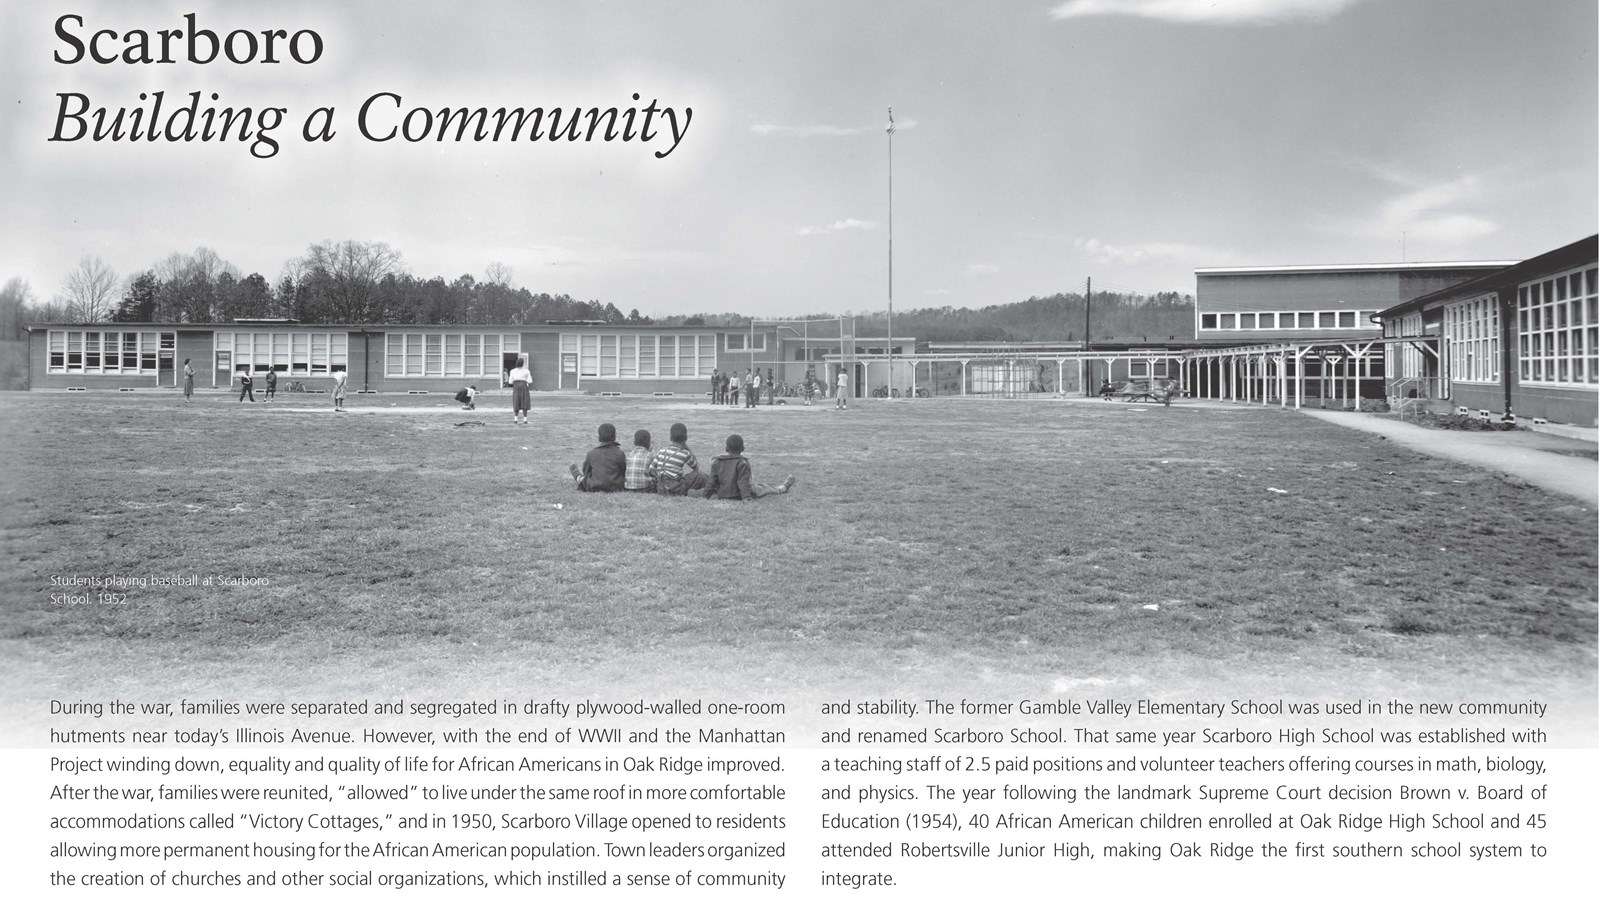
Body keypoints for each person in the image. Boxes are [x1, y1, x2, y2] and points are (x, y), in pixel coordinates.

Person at [704, 434, 796, 500]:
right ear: (743, 448)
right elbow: (742, 481)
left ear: (726, 448)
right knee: (764, 487)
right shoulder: (743, 462)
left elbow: (711, 481)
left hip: (722, 494)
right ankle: (782, 488)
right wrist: (746, 497)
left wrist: (706, 495)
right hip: (739, 495)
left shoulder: (717, 462)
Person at [649, 422, 710, 496]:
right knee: (699, 475)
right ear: (686, 438)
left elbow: (651, 469)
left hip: (661, 488)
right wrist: (687, 449)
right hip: (676, 488)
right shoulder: (685, 453)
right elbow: (696, 467)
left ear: (670, 437)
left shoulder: (662, 451)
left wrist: (659, 478)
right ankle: (714, 486)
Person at [568, 423, 626, 492]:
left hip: (594, 485)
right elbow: (623, 470)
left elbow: (585, 471)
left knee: (584, 479)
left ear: (599, 437)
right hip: (616, 486)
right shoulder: (619, 453)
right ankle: (579, 478)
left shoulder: (591, 453)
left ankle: (578, 477)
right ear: (614, 437)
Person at [508, 358, 533, 424]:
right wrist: (524, 379)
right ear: (523, 364)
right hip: (523, 385)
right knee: (525, 401)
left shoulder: (512, 371)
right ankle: (525, 419)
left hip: (516, 386)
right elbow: (530, 381)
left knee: (516, 401)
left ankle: (515, 418)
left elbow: (510, 382)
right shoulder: (526, 371)